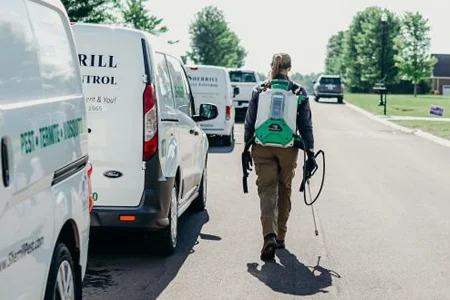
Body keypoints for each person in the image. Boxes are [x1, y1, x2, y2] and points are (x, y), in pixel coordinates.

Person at [244, 53, 316, 261]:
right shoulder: (298, 91)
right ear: (289, 68)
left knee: (267, 191)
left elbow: (250, 122)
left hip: (262, 146)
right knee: (284, 189)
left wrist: (247, 147)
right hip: (288, 147)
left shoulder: (260, 90)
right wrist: (309, 151)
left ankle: (269, 235)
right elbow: (306, 125)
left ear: (272, 67)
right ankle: (281, 236)